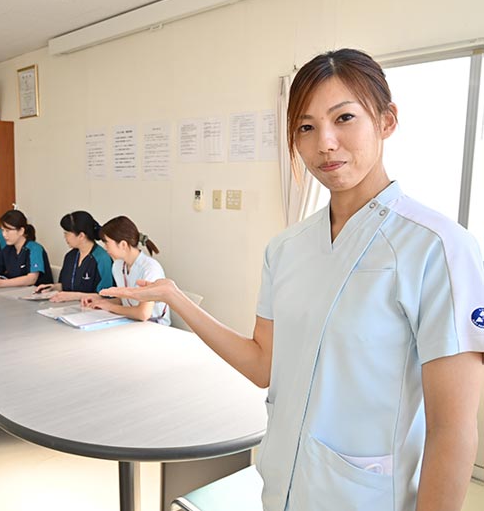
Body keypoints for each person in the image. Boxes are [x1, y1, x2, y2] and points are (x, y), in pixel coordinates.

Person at [101, 49, 484, 511]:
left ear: (387, 121)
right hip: (282, 486)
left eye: (344, 118)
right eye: (305, 127)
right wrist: (174, 298)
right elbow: (263, 364)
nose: (325, 142)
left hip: (367, 497)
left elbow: (453, 429)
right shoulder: (286, 248)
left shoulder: (437, 248)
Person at [83, 216, 170, 325]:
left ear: (123, 244)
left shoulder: (150, 268)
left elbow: (143, 314)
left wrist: (110, 307)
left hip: (155, 327)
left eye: (107, 243)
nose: (105, 248)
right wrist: (100, 302)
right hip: (131, 323)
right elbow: (123, 301)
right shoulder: (118, 266)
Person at [33, 210, 113, 302]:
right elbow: (67, 285)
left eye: (67, 234)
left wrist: (75, 296)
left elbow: (106, 296)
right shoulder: (70, 256)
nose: (65, 237)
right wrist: (53, 287)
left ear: (81, 236)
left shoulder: (102, 258)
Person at [0, 209, 53, 288]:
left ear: (21, 231)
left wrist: (1, 283)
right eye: (3, 230)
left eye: (8, 231)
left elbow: (31, 279)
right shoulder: (8, 249)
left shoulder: (35, 249)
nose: (4, 235)